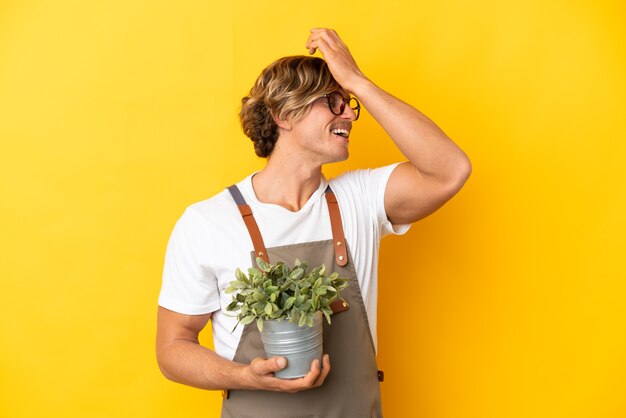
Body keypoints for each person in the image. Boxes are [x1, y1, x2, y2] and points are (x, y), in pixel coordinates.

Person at [156, 28, 471, 417]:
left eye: (348, 104)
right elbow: (172, 348)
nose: (348, 115)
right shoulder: (207, 222)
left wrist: (358, 80)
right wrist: (245, 376)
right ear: (284, 115)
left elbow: (450, 170)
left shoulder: (360, 199)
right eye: (332, 102)